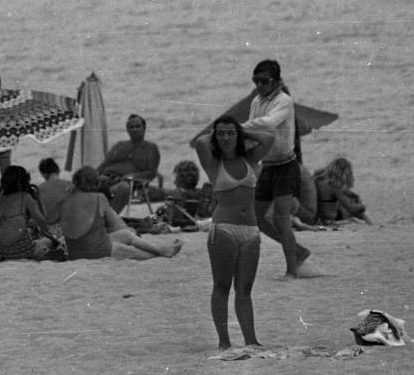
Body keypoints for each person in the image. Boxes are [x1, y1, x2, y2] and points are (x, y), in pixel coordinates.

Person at [191, 115, 274, 350]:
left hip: (251, 230)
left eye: (230, 133)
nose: (226, 138)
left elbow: (268, 139)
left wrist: (242, 130)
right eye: (221, 134)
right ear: (215, 137)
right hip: (224, 229)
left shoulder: (249, 158)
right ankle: (224, 341)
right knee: (222, 286)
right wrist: (224, 129)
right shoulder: (213, 163)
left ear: (238, 136)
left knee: (245, 290)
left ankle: (251, 339)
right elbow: (199, 142)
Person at [241, 59, 310, 278]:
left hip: (286, 165)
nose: (259, 85)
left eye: (264, 81)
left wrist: (239, 127)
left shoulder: (284, 100)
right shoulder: (256, 101)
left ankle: (292, 271)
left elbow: (269, 123)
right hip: (268, 165)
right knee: (258, 218)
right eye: (256, 81)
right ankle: (297, 251)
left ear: (277, 81)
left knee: (281, 218)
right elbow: (255, 132)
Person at [59, 166, 182, 260]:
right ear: (95, 183)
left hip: (74, 253)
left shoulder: (65, 199)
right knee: (133, 251)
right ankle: (162, 253)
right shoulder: (99, 198)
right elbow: (113, 225)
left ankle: (162, 250)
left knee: (126, 235)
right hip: (96, 251)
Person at [97, 114, 162, 213]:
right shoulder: (119, 145)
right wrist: (92, 176)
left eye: (137, 126)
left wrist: (132, 176)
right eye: (131, 127)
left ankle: (109, 218)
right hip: (105, 179)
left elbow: (151, 173)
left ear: (144, 128)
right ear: (127, 130)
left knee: (123, 187)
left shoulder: (151, 148)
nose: (134, 129)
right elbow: (104, 164)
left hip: (128, 183)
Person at [0, 165, 54, 260]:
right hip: (21, 251)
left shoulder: (1, 196)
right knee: (48, 241)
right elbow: (43, 222)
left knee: (29, 230)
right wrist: (39, 200)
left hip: (2, 250)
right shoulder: (25, 197)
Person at [314, 157, 372, 224]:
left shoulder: (319, 179)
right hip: (329, 218)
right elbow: (350, 207)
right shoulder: (335, 187)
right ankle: (370, 222)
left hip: (318, 216)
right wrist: (362, 206)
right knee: (354, 203)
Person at [37, 157, 71, 226]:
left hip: (51, 227)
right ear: (58, 170)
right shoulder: (70, 185)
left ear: (44, 174)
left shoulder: (39, 189)